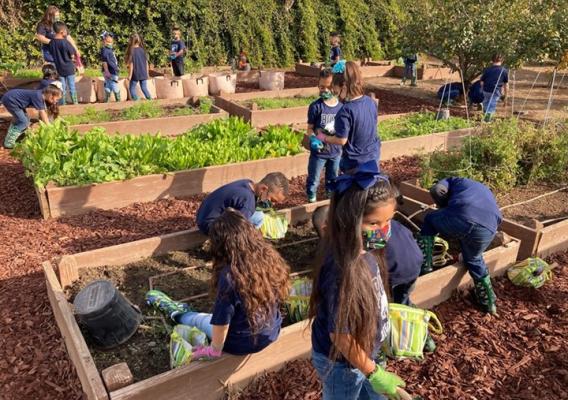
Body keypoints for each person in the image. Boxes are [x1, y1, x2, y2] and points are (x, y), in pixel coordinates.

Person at [309, 168, 406, 400]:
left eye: (389, 220)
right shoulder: (341, 269)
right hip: (343, 363)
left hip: (365, 356)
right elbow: (341, 336)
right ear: (349, 221)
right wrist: (374, 373)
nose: (383, 230)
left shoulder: (369, 252)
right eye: (374, 223)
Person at [147, 209, 290, 359]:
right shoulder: (268, 256)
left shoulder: (231, 276)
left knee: (198, 320)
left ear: (222, 244)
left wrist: (213, 350)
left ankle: (178, 313)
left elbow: (222, 323)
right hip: (272, 331)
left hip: (241, 343)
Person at [419, 177, 502, 314]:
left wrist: (443, 209)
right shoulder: (479, 189)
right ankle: (488, 302)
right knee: (474, 259)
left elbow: (437, 190)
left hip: (462, 216)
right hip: (488, 228)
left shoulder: (451, 180)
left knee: (429, 219)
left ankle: (425, 265)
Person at [316, 61, 379, 174]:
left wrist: (323, 137)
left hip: (354, 165)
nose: (335, 94)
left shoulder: (345, 110)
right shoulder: (371, 102)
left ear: (344, 87)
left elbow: (341, 140)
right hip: (373, 159)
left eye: (335, 90)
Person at [196, 172, 289, 235]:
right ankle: (220, 246)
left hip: (202, 217)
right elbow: (238, 229)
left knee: (258, 215)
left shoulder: (247, 183)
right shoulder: (248, 203)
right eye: (272, 200)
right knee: (256, 220)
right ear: (263, 189)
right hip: (210, 227)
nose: (272, 204)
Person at [304, 68, 343, 202]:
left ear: (335, 87)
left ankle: (329, 202)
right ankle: (311, 200)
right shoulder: (315, 107)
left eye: (328, 87)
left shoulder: (341, 108)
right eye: (321, 87)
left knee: (333, 179)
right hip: (319, 152)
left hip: (335, 152)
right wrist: (314, 139)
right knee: (313, 180)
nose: (325, 90)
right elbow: (310, 129)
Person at [2, 84, 62, 148]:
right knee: (23, 122)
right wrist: (48, 126)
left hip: (14, 100)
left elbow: (44, 112)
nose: (56, 101)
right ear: (50, 95)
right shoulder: (38, 96)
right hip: (11, 100)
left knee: (25, 120)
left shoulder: (40, 94)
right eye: (57, 99)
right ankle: (8, 143)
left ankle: (12, 136)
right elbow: (42, 112)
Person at [49, 22, 78, 105]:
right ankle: (75, 104)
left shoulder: (51, 43)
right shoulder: (65, 42)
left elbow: (52, 53)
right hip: (69, 68)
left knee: (62, 88)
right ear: (62, 31)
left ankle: (63, 104)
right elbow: (72, 55)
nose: (67, 32)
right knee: (72, 87)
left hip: (59, 68)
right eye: (66, 30)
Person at [480, 54, 509, 121]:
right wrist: (505, 97)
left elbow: (482, 82)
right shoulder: (503, 71)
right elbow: (506, 85)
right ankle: (487, 121)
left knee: (486, 105)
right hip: (495, 91)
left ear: (492, 61)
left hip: (486, 90)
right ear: (502, 61)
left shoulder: (487, 70)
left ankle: (486, 118)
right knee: (491, 107)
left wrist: (483, 90)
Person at [125, 33, 152, 101]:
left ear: (131, 41)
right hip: (143, 72)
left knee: (132, 88)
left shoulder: (132, 51)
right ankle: (149, 99)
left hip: (135, 74)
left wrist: (130, 75)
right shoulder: (142, 50)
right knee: (144, 88)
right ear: (139, 41)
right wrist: (147, 73)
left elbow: (131, 64)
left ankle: (136, 99)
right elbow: (146, 63)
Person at [100, 31, 121, 102]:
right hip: (110, 71)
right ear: (104, 42)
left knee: (108, 84)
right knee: (114, 84)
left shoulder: (109, 49)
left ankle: (107, 100)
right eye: (108, 42)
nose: (110, 44)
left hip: (112, 70)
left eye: (111, 42)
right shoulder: (105, 50)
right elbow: (104, 61)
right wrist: (106, 71)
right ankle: (118, 99)